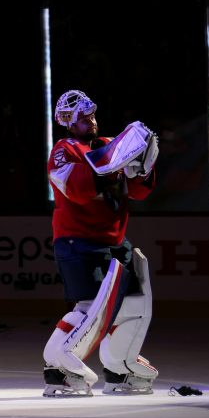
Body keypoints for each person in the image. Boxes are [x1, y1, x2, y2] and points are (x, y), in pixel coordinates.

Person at [42, 89, 159, 397]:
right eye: (83, 118)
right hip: (78, 241)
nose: (91, 121)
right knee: (89, 308)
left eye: (92, 114)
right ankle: (59, 367)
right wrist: (115, 163)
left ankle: (120, 367)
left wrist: (144, 167)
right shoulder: (63, 150)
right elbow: (78, 189)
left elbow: (139, 191)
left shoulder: (109, 146)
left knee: (135, 303)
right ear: (69, 123)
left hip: (115, 242)